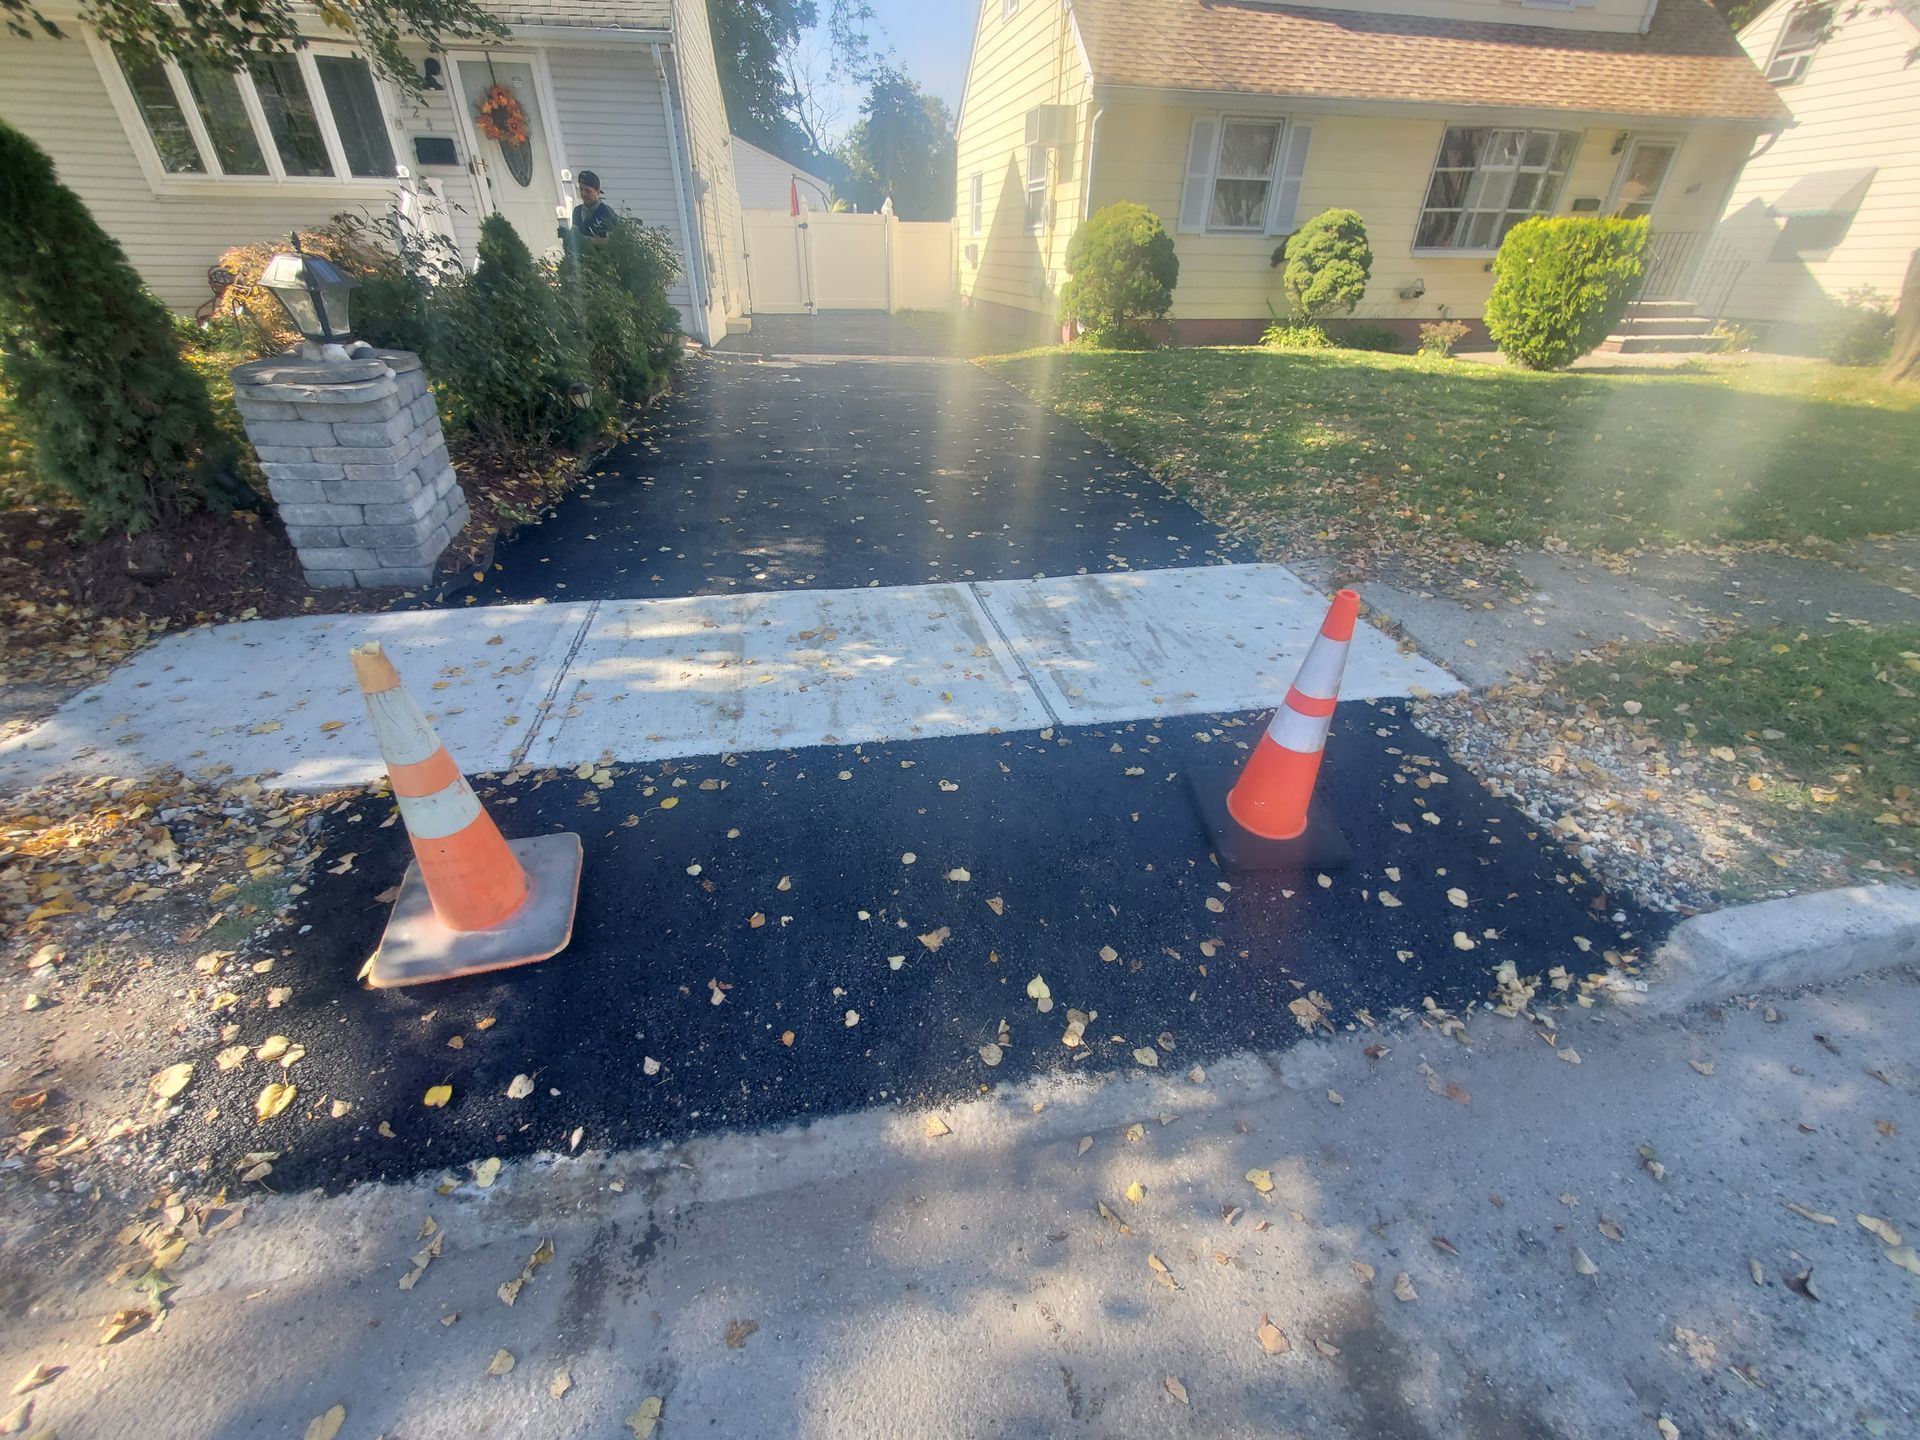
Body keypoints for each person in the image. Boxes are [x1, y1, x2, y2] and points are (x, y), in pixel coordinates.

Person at [571, 171, 616, 243]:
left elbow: (607, 242)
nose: (583, 193)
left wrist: (584, 240)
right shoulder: (577, 211)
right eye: (581, 189)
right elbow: (574, 237)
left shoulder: (606, 212)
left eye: (587, 190)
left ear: (597, 192)